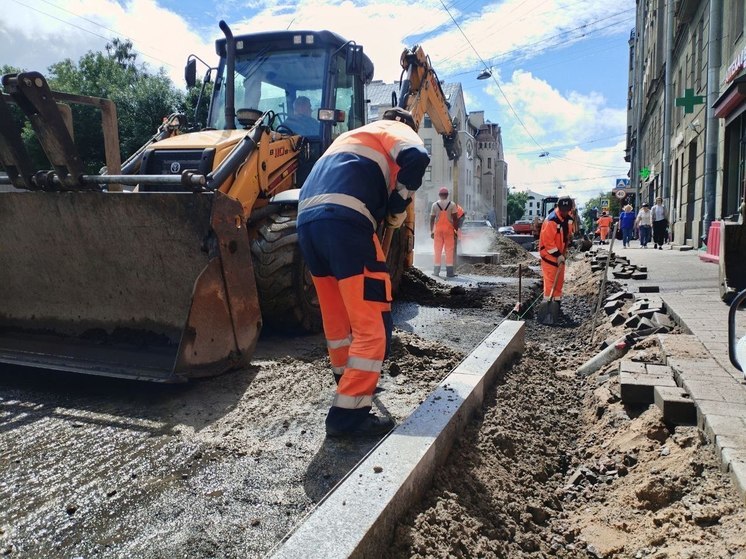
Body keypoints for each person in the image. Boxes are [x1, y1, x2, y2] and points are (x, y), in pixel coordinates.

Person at [297, 107, 429, 438]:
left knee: (338, 321)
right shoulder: (398, 130)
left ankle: (349, 385)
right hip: (348, 223)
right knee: (373, 327)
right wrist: (398, 205)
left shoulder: (351, 137)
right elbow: (417, 158)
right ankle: (348, 417)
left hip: (308, 223)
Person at [539, 196, 573, 319]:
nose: (564, 212)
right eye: (563, 210)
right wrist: (558, 255)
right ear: (558, 207)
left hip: (560, 255)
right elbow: (548, 243)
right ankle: (548, 308)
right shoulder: (551, 221)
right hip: (549, 255)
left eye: (567, 210)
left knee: (559, 282)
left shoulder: (568, 218)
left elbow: (567, 234)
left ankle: (556, 306)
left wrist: (569, 238)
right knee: (550, 282)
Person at [430, 187, 459, 277]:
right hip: (449, 230)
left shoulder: (434, 205)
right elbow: (455, 219)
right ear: (447, 195)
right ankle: (449, 272)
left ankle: (436, 271)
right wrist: (456, 230)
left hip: (438, 231)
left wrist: (432, 231)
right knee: (449, 250)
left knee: (437, 250)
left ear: (439, 195)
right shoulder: (452, 205)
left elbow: (431, 219)